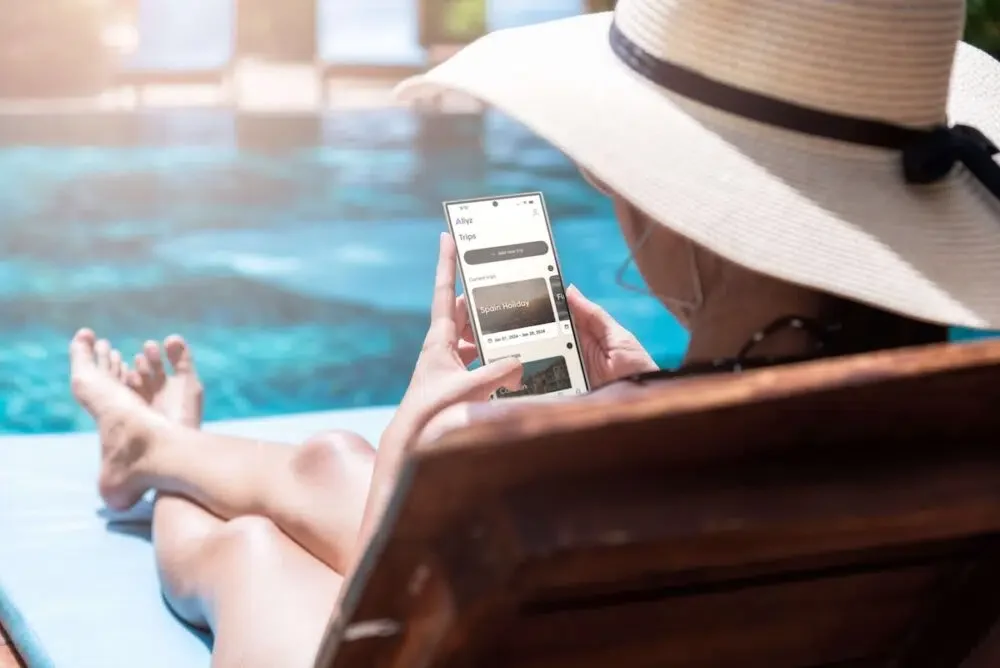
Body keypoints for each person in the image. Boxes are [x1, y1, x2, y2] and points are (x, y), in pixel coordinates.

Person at [67, 0, 1000, 666]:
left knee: (255, 556)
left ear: (679, 215)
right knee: (324, 462)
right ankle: (155, 447)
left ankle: (158, 456)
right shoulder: (959, 430)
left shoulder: (547, 469)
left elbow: (383, 636)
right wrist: (663, 394)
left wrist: (414, 453)